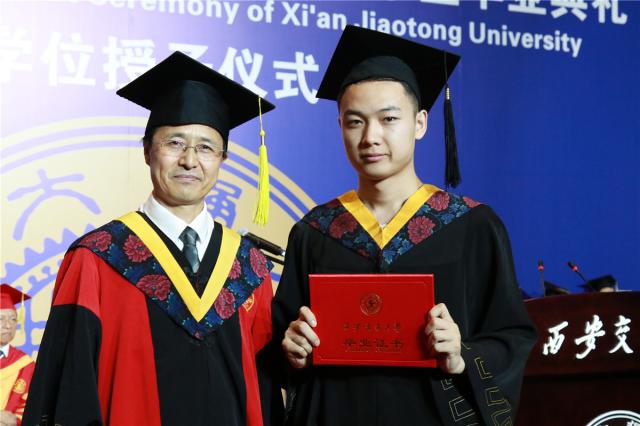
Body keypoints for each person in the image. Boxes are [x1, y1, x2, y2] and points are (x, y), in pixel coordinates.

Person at [273, 26, 537, 425]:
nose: (371, 137)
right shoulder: (315, 231)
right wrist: (292, 351)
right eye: (355, 122)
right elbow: (280, 346)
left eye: (389, 119)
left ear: (420, 123)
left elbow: (511, 338)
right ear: (340, 126)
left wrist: (462, 355)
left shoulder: (471, 226)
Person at [23, 52, 281, 426]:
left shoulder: (249, 265)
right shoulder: (98, 257)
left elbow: (265, 391)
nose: (190, 160)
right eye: (174, 143)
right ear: (147, 151)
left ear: (222, 159)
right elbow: (68, 386)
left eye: (206, 147)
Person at [0, 285, 34, 426]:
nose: (8, 326)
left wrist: (15, 420)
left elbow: (31, 406)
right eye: (1, 319)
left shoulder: (25, 364)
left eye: (13, 319)